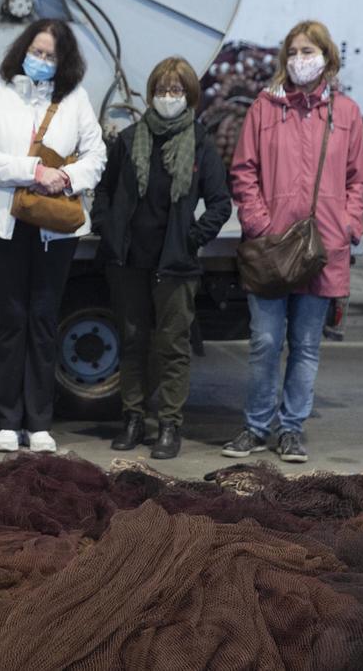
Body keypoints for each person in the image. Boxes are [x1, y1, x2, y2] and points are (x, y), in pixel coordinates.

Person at [221, 21, 363, 464]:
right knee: (265, 341)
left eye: (310, 50)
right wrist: (259, 223)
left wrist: (346, 225)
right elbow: (243, 171)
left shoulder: (346, 113)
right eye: (294, 51)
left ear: (327, 56)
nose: (301, 59)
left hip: (323, 250)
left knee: (306, 346)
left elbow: (357, 180)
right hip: (272, 248)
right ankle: (255, 426)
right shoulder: (263, 110)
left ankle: (291, 429)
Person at [0, 19, 106, 453]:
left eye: (50, 55)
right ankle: (7, 420)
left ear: (64, 61)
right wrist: (32, 171)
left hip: (55, 226)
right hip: (4, 220)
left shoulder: (75, 99)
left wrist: (64, 176)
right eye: (36, 51)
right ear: (22, 49)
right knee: (11, 318)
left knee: (44, 319)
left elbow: (96, 154)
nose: (41, 60)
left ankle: (40, 421)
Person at [91, 57, 231, 460]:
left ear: (189, 96)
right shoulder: (130, 138)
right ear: (150, 93)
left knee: (173, 345)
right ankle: (133, 418)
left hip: (175, 264)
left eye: (176, 90)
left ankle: (169, 425)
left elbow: (220, 203)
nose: (168, 97)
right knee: (133, 341)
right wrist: (108, 226)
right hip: (129, 261)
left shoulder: (200, 143)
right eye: (161, 90)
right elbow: (104, 190)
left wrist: (193, 238)